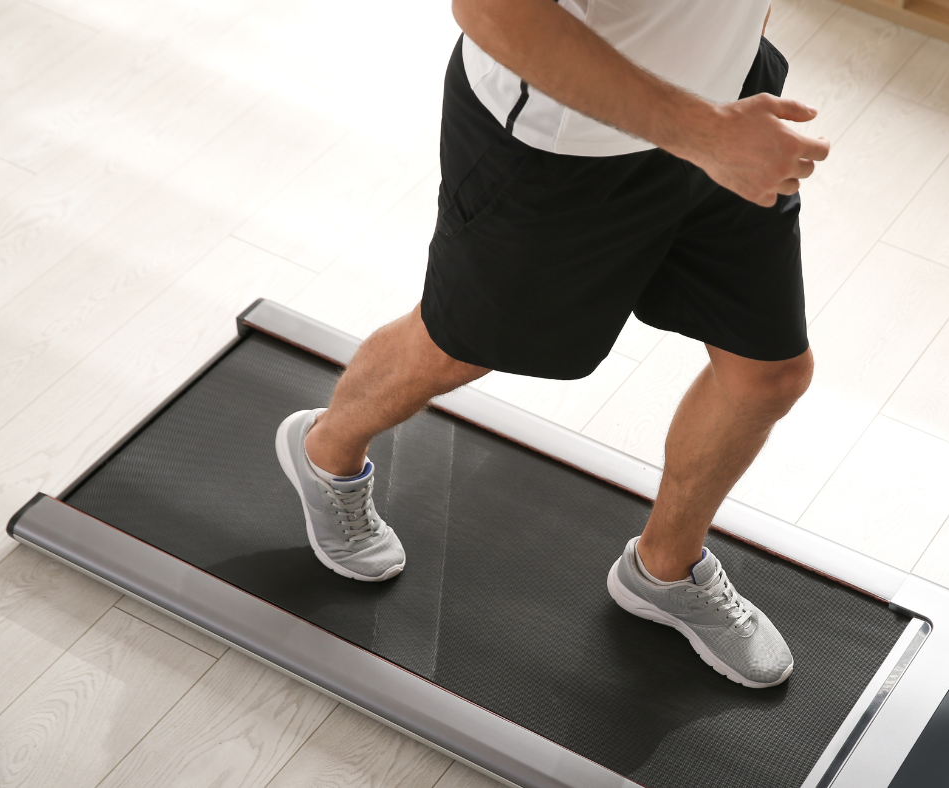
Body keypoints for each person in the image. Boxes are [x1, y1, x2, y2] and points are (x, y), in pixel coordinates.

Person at [275, 0, 829, 689]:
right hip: (564, 146)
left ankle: (665, 568)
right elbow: (492, 10)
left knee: (770, 373)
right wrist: (703, 131)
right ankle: (326, 454)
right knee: (457, 345)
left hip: (731, 108)